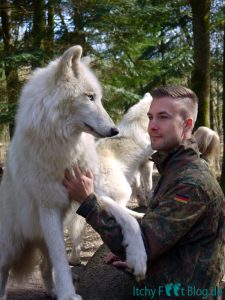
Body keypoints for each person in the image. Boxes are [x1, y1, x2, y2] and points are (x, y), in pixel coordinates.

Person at [63, 85, 225, 299]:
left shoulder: (190, 184)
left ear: (187, 125)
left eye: (163, 117)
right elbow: (158, 233)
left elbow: (143, 245)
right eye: (150, 117)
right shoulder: (175, 169)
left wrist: (89, 202)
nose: (152, 126)